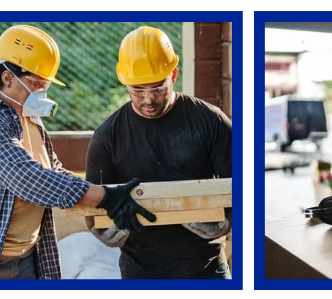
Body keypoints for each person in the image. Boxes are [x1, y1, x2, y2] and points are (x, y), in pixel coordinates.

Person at [0, 24, 154, 279]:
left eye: (45, 85)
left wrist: (99, 199)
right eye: (37, 83)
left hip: (27, 256)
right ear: (7, 78)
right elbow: (28, 178)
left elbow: (53, 169)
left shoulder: (28, 115)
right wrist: (105, 196)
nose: (42, 92)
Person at [85, 26, 234, 279]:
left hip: (207, 268)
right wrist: (99, 230)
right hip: (140, 271)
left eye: (157, 87)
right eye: (137, 90)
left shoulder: (212, 122)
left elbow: (243, 187)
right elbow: (90, 205)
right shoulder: (107, 136)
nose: (148, 99)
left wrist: (227, 223)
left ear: (173, 75)